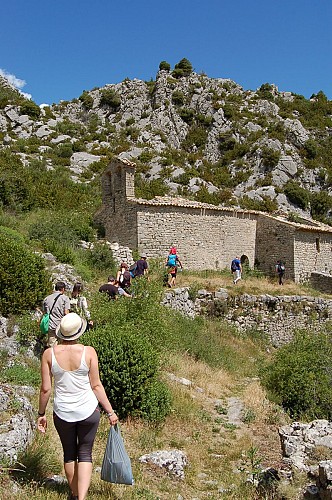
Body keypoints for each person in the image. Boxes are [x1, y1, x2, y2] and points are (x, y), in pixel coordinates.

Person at [37, 313, 118, 500]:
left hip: (63, 412)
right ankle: (81, 497)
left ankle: (74, 494)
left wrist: (41, 413)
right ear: (78, 332)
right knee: (85, 453)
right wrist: (110, 412)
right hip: (88, 410)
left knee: (69, 454)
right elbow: (96, 385)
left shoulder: (49, 354)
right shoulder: (88, 352)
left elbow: (45, 389)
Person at [43, 281, 70, 348]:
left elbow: (45, 313)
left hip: (50, 325)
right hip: (61, 326)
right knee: (62, 346)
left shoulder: (46, 298)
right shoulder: (65, 298)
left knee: (52, 346)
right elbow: (66, 312)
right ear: (63, 289)